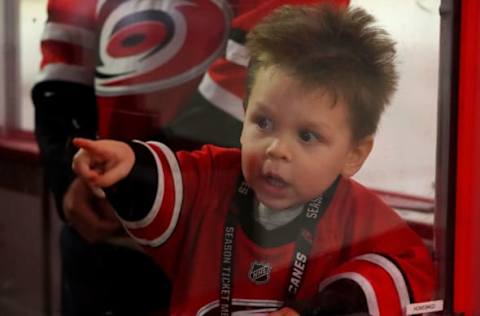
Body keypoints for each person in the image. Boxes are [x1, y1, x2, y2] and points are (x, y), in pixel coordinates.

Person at [73, 3, 438, 316]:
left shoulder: (363, 219)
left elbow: (406, 273)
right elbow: (167, 181)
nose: (277, 149)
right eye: (263, 122)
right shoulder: (214, 176)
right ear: (243, 116)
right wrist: (126, 164)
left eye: (307, 135)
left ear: (354, 154)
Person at [32, 0, 348, 315]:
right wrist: (73, 179)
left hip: (233, 246)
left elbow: (253, 97)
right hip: (101, 242)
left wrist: (125, 185)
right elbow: (61, 84)